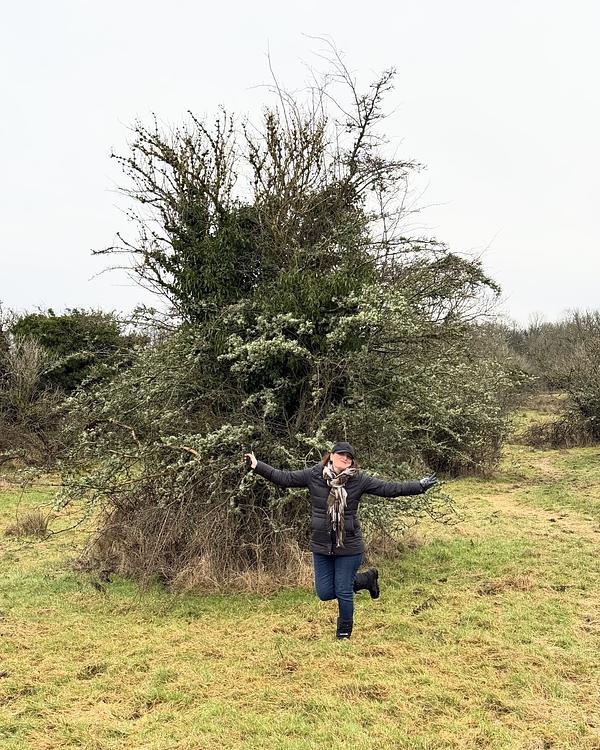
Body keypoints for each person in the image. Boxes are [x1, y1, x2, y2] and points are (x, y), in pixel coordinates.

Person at [244, 441, 438, 640]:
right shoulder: (314, 475)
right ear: (332, 455)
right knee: (325, 592)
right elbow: (284, 478)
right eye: (342, 454)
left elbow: (389, 489)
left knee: (343, 590)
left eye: (350, 457)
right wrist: (257, 466)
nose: (346, 458)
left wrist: (419, 486)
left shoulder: (359, 480)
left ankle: (344, 633)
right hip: (322, 545)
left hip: (349, 545)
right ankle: (366, 579)